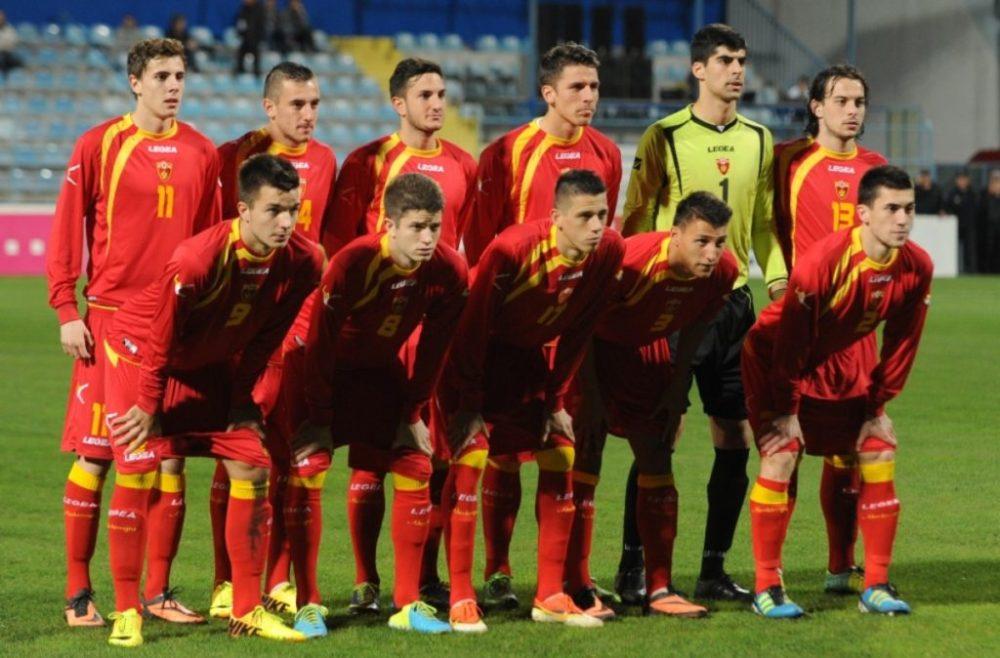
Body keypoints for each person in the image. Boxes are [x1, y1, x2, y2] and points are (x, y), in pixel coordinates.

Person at [100, 154, 323, 646]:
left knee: (251, 463)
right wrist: (149, 405)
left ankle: (246, 610)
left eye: (293, 209)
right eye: (273, 210)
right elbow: (162, 336)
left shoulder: (306, 260)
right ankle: (126, 611)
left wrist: (241, 397)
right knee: (137, 466)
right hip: (139, 353)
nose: (286, 222)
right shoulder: (197, 259)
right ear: (243, 210)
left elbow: (267, 336)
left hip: (207, 362)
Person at [46, 37, 221, 628]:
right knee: (98, 455)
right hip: (111, 319)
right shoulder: (100, 144)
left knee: (168, 458)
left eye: (180, 76)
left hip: (175, 325)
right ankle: (78, 593)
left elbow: (209, 241)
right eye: (162, 76)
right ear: (135, 82)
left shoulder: (202, 151)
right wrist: (66, 309)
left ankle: (159, 590)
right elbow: (67, 228)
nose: (173, 85)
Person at [619, 23, 787, 605]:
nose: (736, 70)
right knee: (659, 433)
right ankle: (633, 564)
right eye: (724, 60)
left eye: (741, 60)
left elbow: (763, 222)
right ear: (698, 69)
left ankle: (713, 568)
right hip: (673, 301)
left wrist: (779, 280)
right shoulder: (663, 136)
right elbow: (637, 218)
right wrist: (638, 291)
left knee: (736, 434)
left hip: (734, 301)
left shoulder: (760, 138)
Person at [461, 42, 621, 609]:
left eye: (594, 86)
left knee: (575, 446)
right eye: (577, 87)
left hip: (571, 327)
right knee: (502, 450)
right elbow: (483, 245)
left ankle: (572, 577)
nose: (588, 97)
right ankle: (498, 570)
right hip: (513, 329)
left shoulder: (606, 152)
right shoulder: (508, 152)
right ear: (548, 92)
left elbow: (601, 239)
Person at [322, 57, 477, 613]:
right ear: (398, 103)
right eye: (424, 94)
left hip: (435, 329)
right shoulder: (368, 162)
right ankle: (366, 581)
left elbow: (462, 244)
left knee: (435, 456)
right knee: (370, 458)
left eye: (441, 93)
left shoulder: (463, 163)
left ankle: (426, 577)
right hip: (380, 332)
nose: (436, 103)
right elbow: (340, 246)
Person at [743, 164, 932, 618]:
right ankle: (767, 588)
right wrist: (787, 408)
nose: (902, 219)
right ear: (863, 213)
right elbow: (791, 343)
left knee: (876, 447)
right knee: (782, 453)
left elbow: (903, 342)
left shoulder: (916, 266)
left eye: (909, 209)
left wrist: (876, 406)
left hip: (834, 355)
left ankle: (875, 585)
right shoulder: (823, 263)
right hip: (774, 357)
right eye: (891, 209)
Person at [440, 169, 624, 633]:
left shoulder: (609, 250)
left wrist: (556, 400)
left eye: (602, 214)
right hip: (471, 357)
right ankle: (460, 594)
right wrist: (469, 404)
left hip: (527, 360)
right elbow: (472, 327)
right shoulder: (512, 249)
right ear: (557, 217)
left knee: (561, 450)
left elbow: (580, 329)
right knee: (471, 457)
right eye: (585, 216)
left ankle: (550, 594)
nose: (597, 226)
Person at [287, 173, 468, 637]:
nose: (428, 238)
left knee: (415, 462)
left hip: (378, 369)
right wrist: (320, 418)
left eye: (435, 227)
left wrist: (413, 412)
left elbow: (434, 349)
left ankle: (407, 603)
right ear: (390, 225)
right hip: (317, 368)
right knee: (307, 466)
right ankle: (304, 601)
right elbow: (320, 344)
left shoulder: (449, 270)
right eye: (417, 227)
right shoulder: (354, 262)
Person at [567, 191, 738, 621]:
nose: (712, 252)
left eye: (719, 242)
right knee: (586, 454)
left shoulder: (724, 272)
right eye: (702, 241)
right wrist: (590, 396)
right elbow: (580, 323)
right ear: (675, 234)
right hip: (592, 353)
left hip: (648, 351)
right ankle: (576, 584)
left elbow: (698, 324)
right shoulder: (630, 263)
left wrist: (678, 387)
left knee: (657, 455)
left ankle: (659, 588)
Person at [211, 60, 337, 620]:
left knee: (293, 455)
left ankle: (280, 579)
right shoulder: (237, 157)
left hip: (301, 327)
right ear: (270, 107)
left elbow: (324, 245)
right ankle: (224, 582)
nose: (308, 115)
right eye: (297, 104)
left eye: (314, 104)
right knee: (236, 455)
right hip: (246, 326)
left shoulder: (326, 160)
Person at [773, 64, 887, 595]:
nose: (852, 110)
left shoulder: (876, 167)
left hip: (857, 334)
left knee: (850, 450)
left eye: (859, 101)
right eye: (841, 100)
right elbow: (763, 222)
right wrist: (779, 280)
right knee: (785, 446)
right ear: (816, 106)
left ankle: (841, 567)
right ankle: (769, 575)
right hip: (804, 327)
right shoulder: (787, 160)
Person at [944, 170, 980, 272]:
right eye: (960, 179)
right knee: (954, 249)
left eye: (964, 179)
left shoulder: (973, 194)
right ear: (956, 180)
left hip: (970, 226)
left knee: (970, 250)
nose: (962, 181)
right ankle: (954, 270)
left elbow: (978, 210)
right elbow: (946, 208)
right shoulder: (951, 194)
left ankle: (970, 271)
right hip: (955, 226)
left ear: (968, 180)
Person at [234, 0, 266, 77]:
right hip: (245, 40)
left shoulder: (260, 9)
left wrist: (258, 38)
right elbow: (239, 24)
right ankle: (240, 73)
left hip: (256, 40)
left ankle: (257, 75)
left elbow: (262, 26)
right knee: (240, 53)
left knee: (256, 53)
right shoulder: (243, 9)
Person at [981, 169, 1000, 272]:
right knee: (988, 249)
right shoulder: (984, 193)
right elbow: (981, 209)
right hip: (988, 227)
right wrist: (990, 194)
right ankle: (987, 270)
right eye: (994, 180)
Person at [0, 10, 24, 78]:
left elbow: (13, 42)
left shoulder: (10, 29)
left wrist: (4, 45)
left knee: (19, 62)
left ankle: (12, 79)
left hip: (8, 54)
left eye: (1, 17)